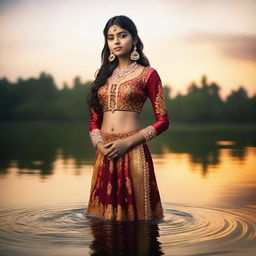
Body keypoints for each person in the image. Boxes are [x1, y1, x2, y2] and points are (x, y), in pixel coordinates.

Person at [86, 15, 170, 222]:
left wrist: (127, 143)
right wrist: (99, 144)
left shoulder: (148, 74)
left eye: (122, 35)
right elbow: (94, 121)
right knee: (102, 222)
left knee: (138, 221)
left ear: (134, 39)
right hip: (105, 152)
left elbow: (163, 120)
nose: (116, 41)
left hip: (133, 150)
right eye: (110, 37)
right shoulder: (102, 78)